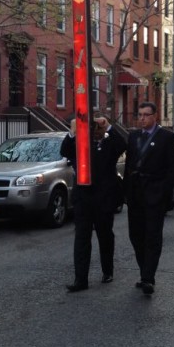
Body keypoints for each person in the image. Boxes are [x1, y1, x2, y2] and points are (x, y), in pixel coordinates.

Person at [60, 115, 127, 292]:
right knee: (81, 238)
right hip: (83, 199)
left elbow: (122, 145)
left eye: (99, 128)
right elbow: (64, 150)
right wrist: (73, 133)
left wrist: (109, 126)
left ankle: (107, 270)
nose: (96, 132)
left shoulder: (109, 145)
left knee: (105, 236)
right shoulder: (80, 145)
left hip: (104, 199)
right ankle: (80, 279)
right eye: (93, 128)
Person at [124, 102, 174, 295]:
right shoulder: (133, 137)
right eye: (139, 115)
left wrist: (164, 190)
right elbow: (129, 165)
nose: (142, 119)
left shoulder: (166, 137)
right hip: (136, 193)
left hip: (155, 192)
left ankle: (149, 277)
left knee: (152, 236)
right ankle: (143, 271)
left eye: (146, 115)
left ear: (154, 116)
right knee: (136, 235)